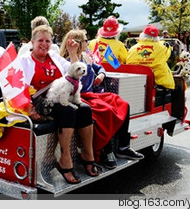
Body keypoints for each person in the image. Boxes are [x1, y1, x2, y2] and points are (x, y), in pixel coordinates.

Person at [20, 25, 98, 184]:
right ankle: (65, 159)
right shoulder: (24, 60)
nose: (44, 44)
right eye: (40, 40)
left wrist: (72, 53)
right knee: (67, 110)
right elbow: (18, 87)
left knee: (84, 109)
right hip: (38, 101)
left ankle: (87, 154)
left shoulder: (54, 57)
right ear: (32, 42)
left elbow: (75, 72)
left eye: (47, 40)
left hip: (58, 97)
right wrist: (29, 108)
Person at [61, 29, 143, 169]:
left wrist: (101, 75)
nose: (89, 42)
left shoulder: (86, 57)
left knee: (123, 104)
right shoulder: (68, 61)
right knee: (107, 110)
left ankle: (123, 147)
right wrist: (73, 54)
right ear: (79, 43)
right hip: (81, 96)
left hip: (94, 94)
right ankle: (107, 151)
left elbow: (100, 68)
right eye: (86, 40)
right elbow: (73, 78)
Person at [126, 25, 175, 89]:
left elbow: (127, 61)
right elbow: (169, 54)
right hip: (158, 82)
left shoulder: (133, 48)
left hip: (135, 80)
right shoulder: (163, 47)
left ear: (142, 35)